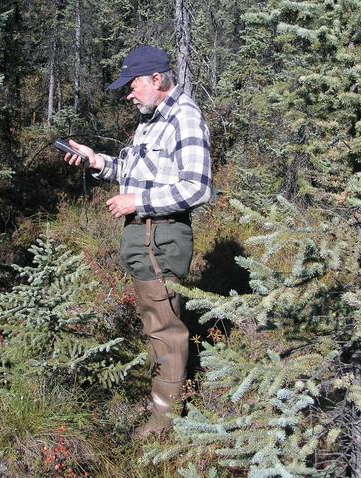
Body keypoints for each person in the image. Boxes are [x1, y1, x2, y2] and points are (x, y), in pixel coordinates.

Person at [62, 45, 212, 439]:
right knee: (158, 322)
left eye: (132, 85)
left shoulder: (185, 117)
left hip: (160, 233)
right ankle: (171, 403)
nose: (128, 94)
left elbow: (198, 188)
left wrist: (138, 202)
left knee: (165, 329)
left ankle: (164, 425)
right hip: (146, 236)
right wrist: (96, 160)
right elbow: (132, 172)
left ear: (157, 80)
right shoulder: (150, 121)